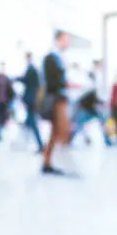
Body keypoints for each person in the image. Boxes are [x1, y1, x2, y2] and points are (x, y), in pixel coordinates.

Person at [41, 30, 76, 175]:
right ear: (59, 39)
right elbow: (54, 82)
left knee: (55, 132)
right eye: (66, 39)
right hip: (57, 99)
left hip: (59, 98)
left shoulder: (58, 57)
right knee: (62, 131)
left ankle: (48, 162)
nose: (68, 42)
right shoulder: (51, 57)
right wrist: (67, 84)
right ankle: (61, 163)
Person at [16, 52, 43, 152]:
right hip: (31, 100)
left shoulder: (32, 69)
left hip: (31, 101)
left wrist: (16, 78)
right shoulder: (32, 69)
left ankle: (40, 145)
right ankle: (37, 144)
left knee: (32, 123)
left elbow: (26, 80)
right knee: (29, 122)